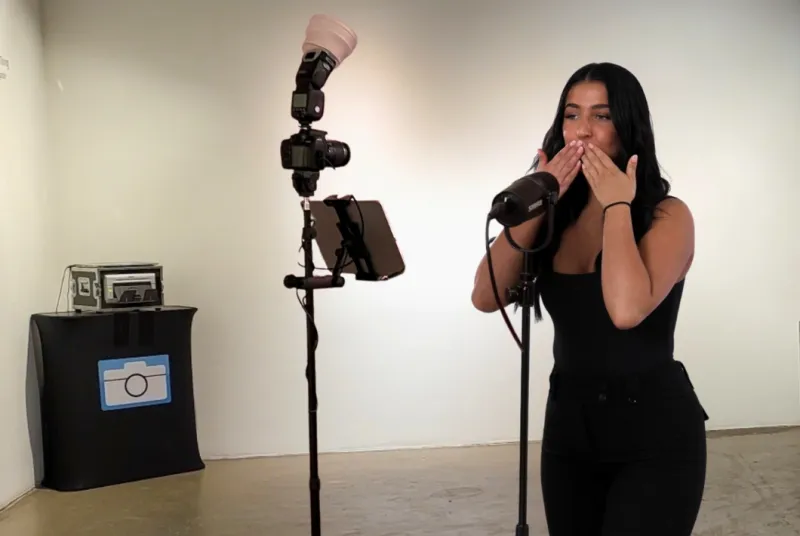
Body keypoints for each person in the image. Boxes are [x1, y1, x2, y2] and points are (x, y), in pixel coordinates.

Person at [471, 62, 708, 535]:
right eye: (571, 114)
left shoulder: (668, 216)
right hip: (569, 430)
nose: (582, 131)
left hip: (654, 434)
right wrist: (538, 195)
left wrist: (617, 203)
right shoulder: (554, 216)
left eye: (601, 116)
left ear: (628, 127)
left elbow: (625, 311)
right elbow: (485, 294)